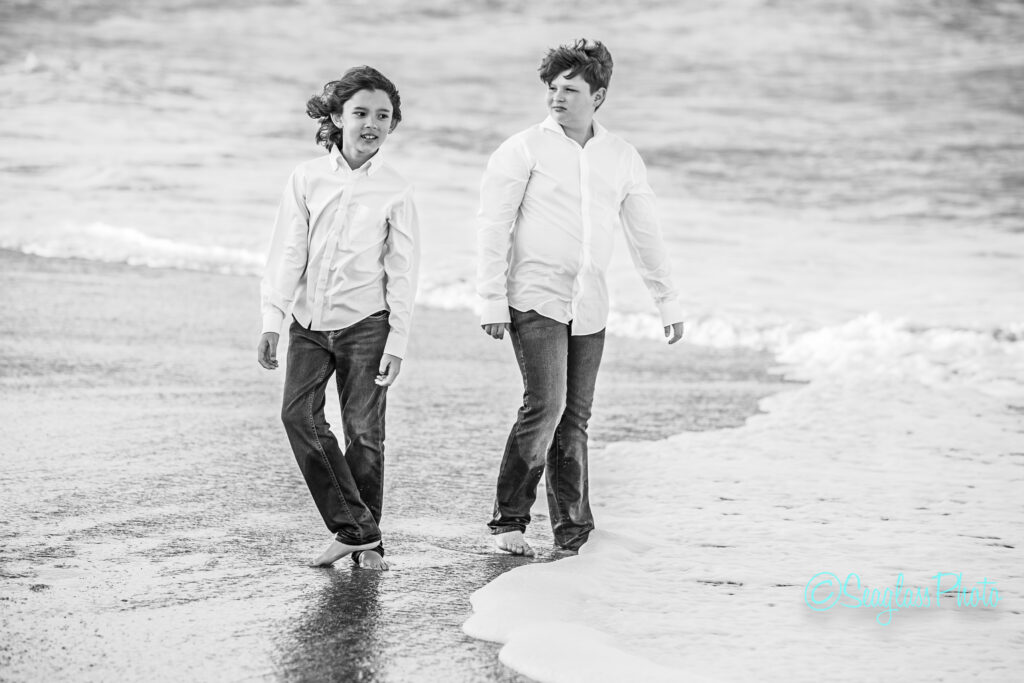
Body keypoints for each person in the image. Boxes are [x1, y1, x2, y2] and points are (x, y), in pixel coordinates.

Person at [476, 39, 685, 557]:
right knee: (544, 406)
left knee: (576, 418)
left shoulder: (621, 157)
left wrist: (668, 302)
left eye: (570, 89)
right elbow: (492, 227)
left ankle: (573, 532)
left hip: (589, 306)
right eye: (552, 88)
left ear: (599, 96)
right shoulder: (523, 148)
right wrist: (490, 300)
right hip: (534, 298)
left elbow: (645, 235)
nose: (557, 98)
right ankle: (509, 521)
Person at [258, 66, 419, 571]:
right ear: (337, 117)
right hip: (308, 323)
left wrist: (397, 341)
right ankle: (359, 530)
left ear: (392, 124)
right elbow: (288, 251)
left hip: (366, 325)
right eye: (361, 113)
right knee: (298, 416)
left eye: (383, 116)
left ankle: (364, 543)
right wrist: (272, 317)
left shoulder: (396, 188)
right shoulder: (306, 178)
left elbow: (405, 270)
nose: (372, 124)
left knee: (364, 434)